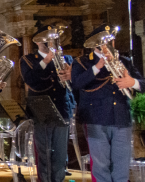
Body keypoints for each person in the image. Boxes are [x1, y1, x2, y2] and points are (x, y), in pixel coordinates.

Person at [72, 25, 144, 182]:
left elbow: (142, 84)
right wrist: (98, 67)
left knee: (121, 166)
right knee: (100, 167)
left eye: (111, 40)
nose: (110, 44)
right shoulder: (82, 62)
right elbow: (77, 84)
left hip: (121, 118)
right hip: (95, 119)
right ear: (96, 45)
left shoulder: (124, 61)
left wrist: (131, 82)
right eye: (105, 41)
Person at [20, 25, 73, 182]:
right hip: (41, 111)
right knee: (44, 153)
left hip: (62, 108)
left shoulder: (67, 59)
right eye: (46, 38)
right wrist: (47, 59)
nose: (51, 41)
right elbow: (31, 80)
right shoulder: (28, 59)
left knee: (60, 154)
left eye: (54, 38)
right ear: (37, 42)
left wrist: (70, 76)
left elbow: (74, 86)